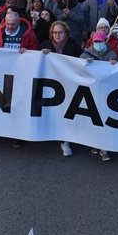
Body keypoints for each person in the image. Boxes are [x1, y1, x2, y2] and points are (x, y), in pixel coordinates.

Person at [40, 20, 81, 157]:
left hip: (69, 85)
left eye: (60, 32)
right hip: (50, 86)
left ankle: (66, 141)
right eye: (55, 32)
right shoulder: (45, 45)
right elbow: (31, 58)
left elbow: (82, 60)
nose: (57, 35)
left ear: (66, 33)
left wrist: (88, 60)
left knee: (66, 113)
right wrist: (40, 54)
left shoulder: (74, 45)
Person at [80, 31, 118, 162]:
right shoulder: (86, 54)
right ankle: (95, 143)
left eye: (100, 41)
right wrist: (84, 62)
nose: (98, 44)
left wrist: (116, 64)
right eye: (96, 42)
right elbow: (77, 68)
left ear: (105, 42)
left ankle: (104, 147)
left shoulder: (112, 54)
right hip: (92, 92)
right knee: (94, 120)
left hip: (107, 92)